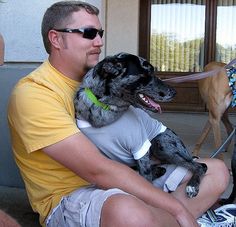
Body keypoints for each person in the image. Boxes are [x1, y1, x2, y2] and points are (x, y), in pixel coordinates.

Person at [7, 1, 230, 227]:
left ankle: (162, 219)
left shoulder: (104, 83)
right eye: (89, 33)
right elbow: (97, 170)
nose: (99, 41)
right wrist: (178, 209)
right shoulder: (35, 93)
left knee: (217, 172)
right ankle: (186, 219)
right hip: (73, 194)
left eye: (100, 33)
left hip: (127, 177)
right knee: (130, 213)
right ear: (56, 38)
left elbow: (136, 136)